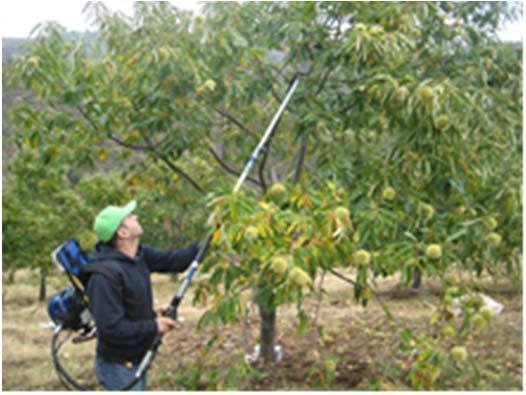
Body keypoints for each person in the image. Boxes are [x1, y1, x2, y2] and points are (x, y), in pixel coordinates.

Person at [87, 200, 200, 391]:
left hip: (137, 358)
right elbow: (112, 329)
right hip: (120, 366)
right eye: (129, 217)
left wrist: (212, 236)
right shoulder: (104, 276)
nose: (136, 216)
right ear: (122, 233)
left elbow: (178, 260)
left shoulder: (139, 255)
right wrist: (154, 325)